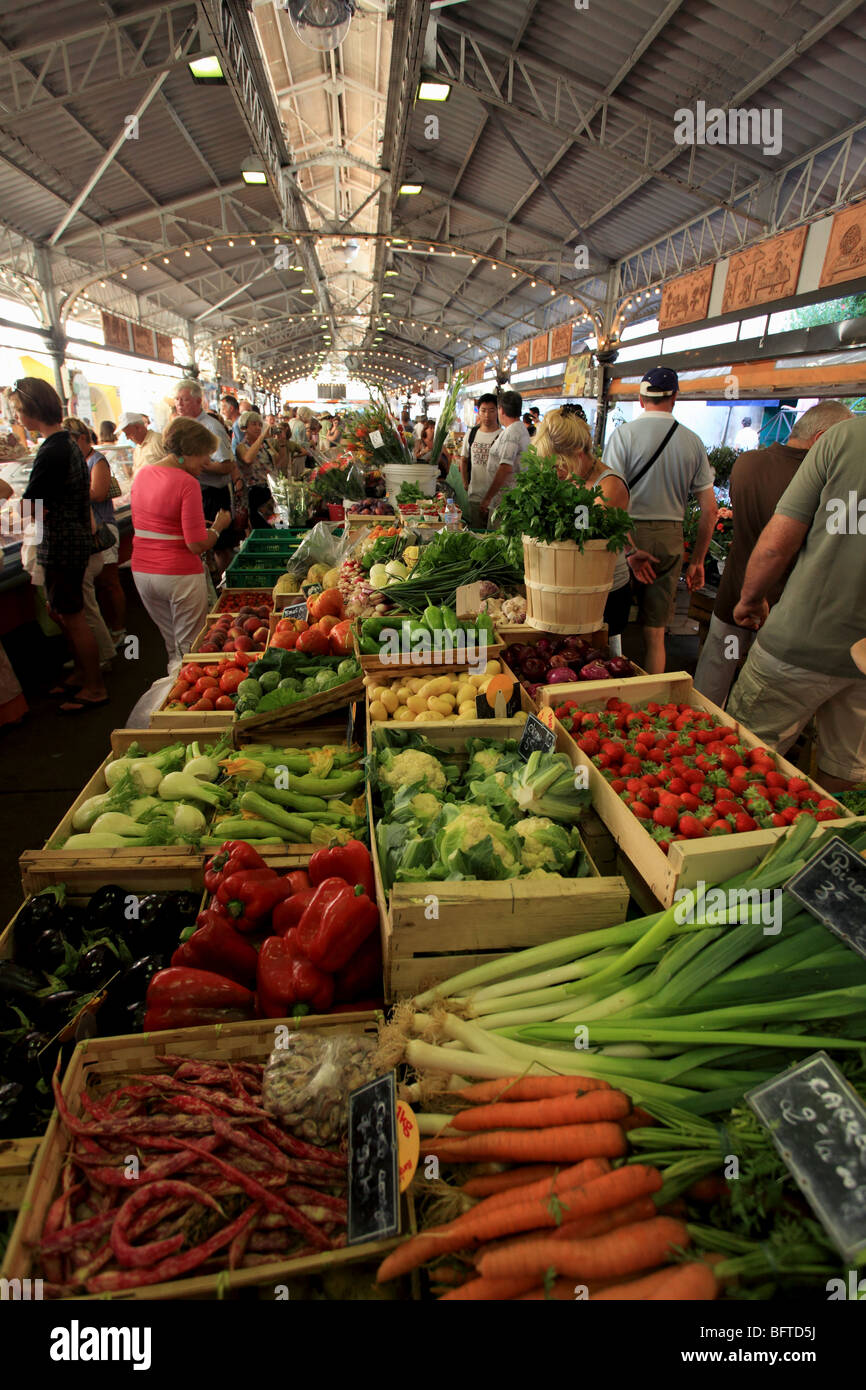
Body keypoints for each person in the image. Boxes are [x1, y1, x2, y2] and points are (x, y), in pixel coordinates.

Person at [727, 414, 866, 791]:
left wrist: (750, 600)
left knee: (744, 759)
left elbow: (776, 545)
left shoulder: (844, 438)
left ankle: (735, 846)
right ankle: (827, 843)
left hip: (799, 643)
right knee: (846, 776)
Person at [694, 401, 852, 706]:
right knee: (764, 693)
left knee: (715, 673)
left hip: (733, 593)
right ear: (822, 439)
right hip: (782, 608)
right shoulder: (819, 480)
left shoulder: (748, 463)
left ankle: (695, 729)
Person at [603, 366, 718, 674]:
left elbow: (609, 500)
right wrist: (697, 561)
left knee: (611, 627)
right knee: (655, 633)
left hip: (625, 536)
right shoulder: (692, 441)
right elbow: (710, 510)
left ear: (641, 399)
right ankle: (652, 702)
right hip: (670, 538)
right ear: (675, 397)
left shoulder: (622, 436)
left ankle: (605, 687)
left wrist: (628, 550)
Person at [10, 378, 108, 712]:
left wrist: (12, 503)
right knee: (66, 612)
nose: (16, 417)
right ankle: (83, 674)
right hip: (71, 539)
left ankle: (95, 687)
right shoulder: (66, 443)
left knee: (74, 615)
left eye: (16, 410)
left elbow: (30, 505)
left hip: (62, 544)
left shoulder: (51, 450)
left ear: (28, 411)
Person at [131, 418, 232, 670]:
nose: (206, 464)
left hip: (143, 571)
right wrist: (218, 527)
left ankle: (169, 690)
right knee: (190, 645)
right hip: (178, 575)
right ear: (188, 452)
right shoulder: (187, 483)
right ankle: (183, 698)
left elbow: (154, 523)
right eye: (204, 457)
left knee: (171, 644)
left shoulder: (143, 473)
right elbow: (197, 544)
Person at [534, 408, 632, 653]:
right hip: (569, 590)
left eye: (560, 462)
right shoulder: (567, 478)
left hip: (605, 595)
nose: (556, 470)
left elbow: (583, 543)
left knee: (601, 660)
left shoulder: (609, 486)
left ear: (578, 453)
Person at [62, 418, 126, 657]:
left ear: (80, 438)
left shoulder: (96, 460)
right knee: (99, 586)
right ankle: (107, 631)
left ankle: (120, 630)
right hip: (88, 532)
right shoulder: (75, 461)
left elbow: (98, 493)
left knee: (110, 582)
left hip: (103, 529)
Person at [174, 378, 239, 574]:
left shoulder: (211, 427)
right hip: (193, 493)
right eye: (177, 400)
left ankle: (223, 585)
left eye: (184, 399)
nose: (179, 404)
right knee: (200, 544)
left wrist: (199, 465)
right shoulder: (180, 427)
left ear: (197, 401)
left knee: (219, 546)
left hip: (212, 494)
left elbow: (227, 465)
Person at [479, 390, 532, 528]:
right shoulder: (520, 429)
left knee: (498, 541)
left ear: (500, 410)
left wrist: (487, 498)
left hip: (505, 501)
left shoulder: (512, 432)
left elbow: (505, 467)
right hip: (510, 499)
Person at [235, 410, 288, 529]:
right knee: (261, 527)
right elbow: (248, 459)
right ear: (244, 427)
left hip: (272, 490)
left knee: (280, 526)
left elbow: (279, 463)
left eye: (260, 424)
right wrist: (262, 436)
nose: (258, 428)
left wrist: (282, 443)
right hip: (255, 493)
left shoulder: (266, 445)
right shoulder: (241, 447)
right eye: (254, 424)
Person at [460, 394, 502, 527]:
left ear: (498, 411)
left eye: (491, 410)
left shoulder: (503, 436)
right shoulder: (471, 434)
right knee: (475, 534)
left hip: (497, 499)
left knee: (494, 537)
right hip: (475, 495)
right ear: (478, 411)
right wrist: (465, 483)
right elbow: (464, 459)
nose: (487, 415)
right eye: (483, 410)